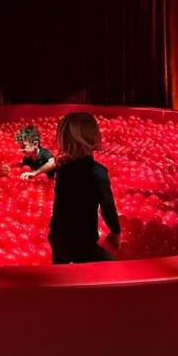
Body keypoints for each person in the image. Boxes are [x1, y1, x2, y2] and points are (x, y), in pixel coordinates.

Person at [48, 112, 121, 263]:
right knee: (113, 266)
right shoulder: (98, 172)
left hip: (57, 237)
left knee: (62, 273)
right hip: (83, 241)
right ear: (95, 137)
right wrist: (115, 231)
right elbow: (107, 207)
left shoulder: (63, 169)